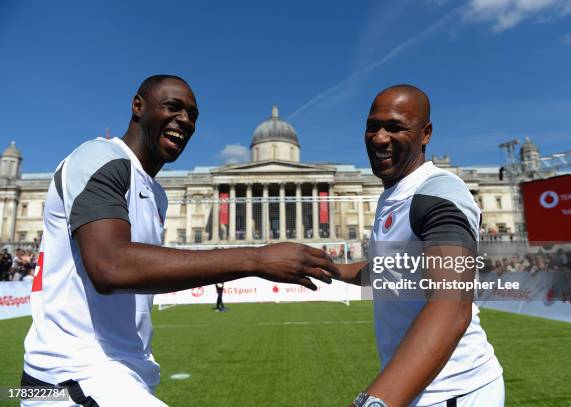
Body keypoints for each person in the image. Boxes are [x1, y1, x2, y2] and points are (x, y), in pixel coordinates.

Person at [21, 75, 338, 406]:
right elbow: (110, 266)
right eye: (173, 107)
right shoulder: (99, 157)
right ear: (138, 106)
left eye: (193, 115)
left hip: (120, 373)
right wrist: (257, 259)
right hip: (74, 374)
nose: (185, 120)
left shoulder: (156, 193)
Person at [335, 85, 503, 407]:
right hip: (420, 387)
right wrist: (326, 267)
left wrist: (376, 401)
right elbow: (392, 274)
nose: (379, 138)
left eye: (395, 127)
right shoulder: (396, 192)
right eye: (373, 126)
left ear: (425, 134)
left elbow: (451, 304)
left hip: (452, 391)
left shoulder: (438, 193)